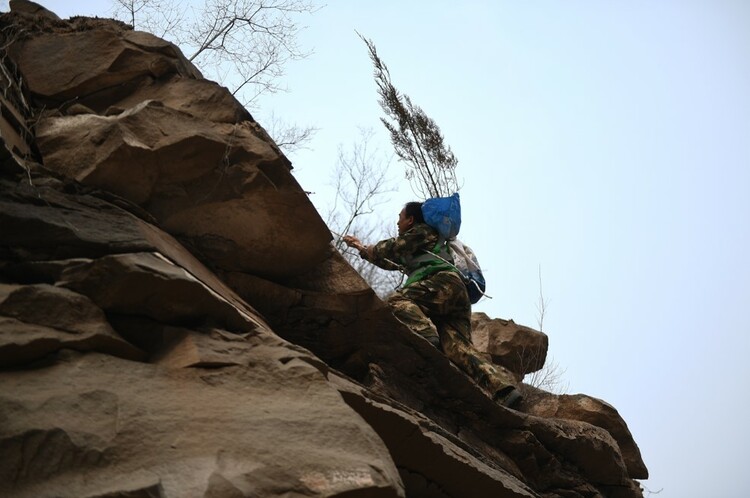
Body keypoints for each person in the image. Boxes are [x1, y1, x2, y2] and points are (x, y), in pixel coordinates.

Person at [343, 201, 522, 408]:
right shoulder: (422, 245)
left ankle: (426, 334)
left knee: (397, 301)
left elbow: (392, 248)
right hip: (456, 294)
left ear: (411, 220)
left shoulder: (422, 231)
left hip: (443, 284)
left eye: (400, 217)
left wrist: (370, 248)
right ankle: (503, 390)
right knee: (458, 348)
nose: (397, 222)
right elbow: (390, 261)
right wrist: (361, 248)